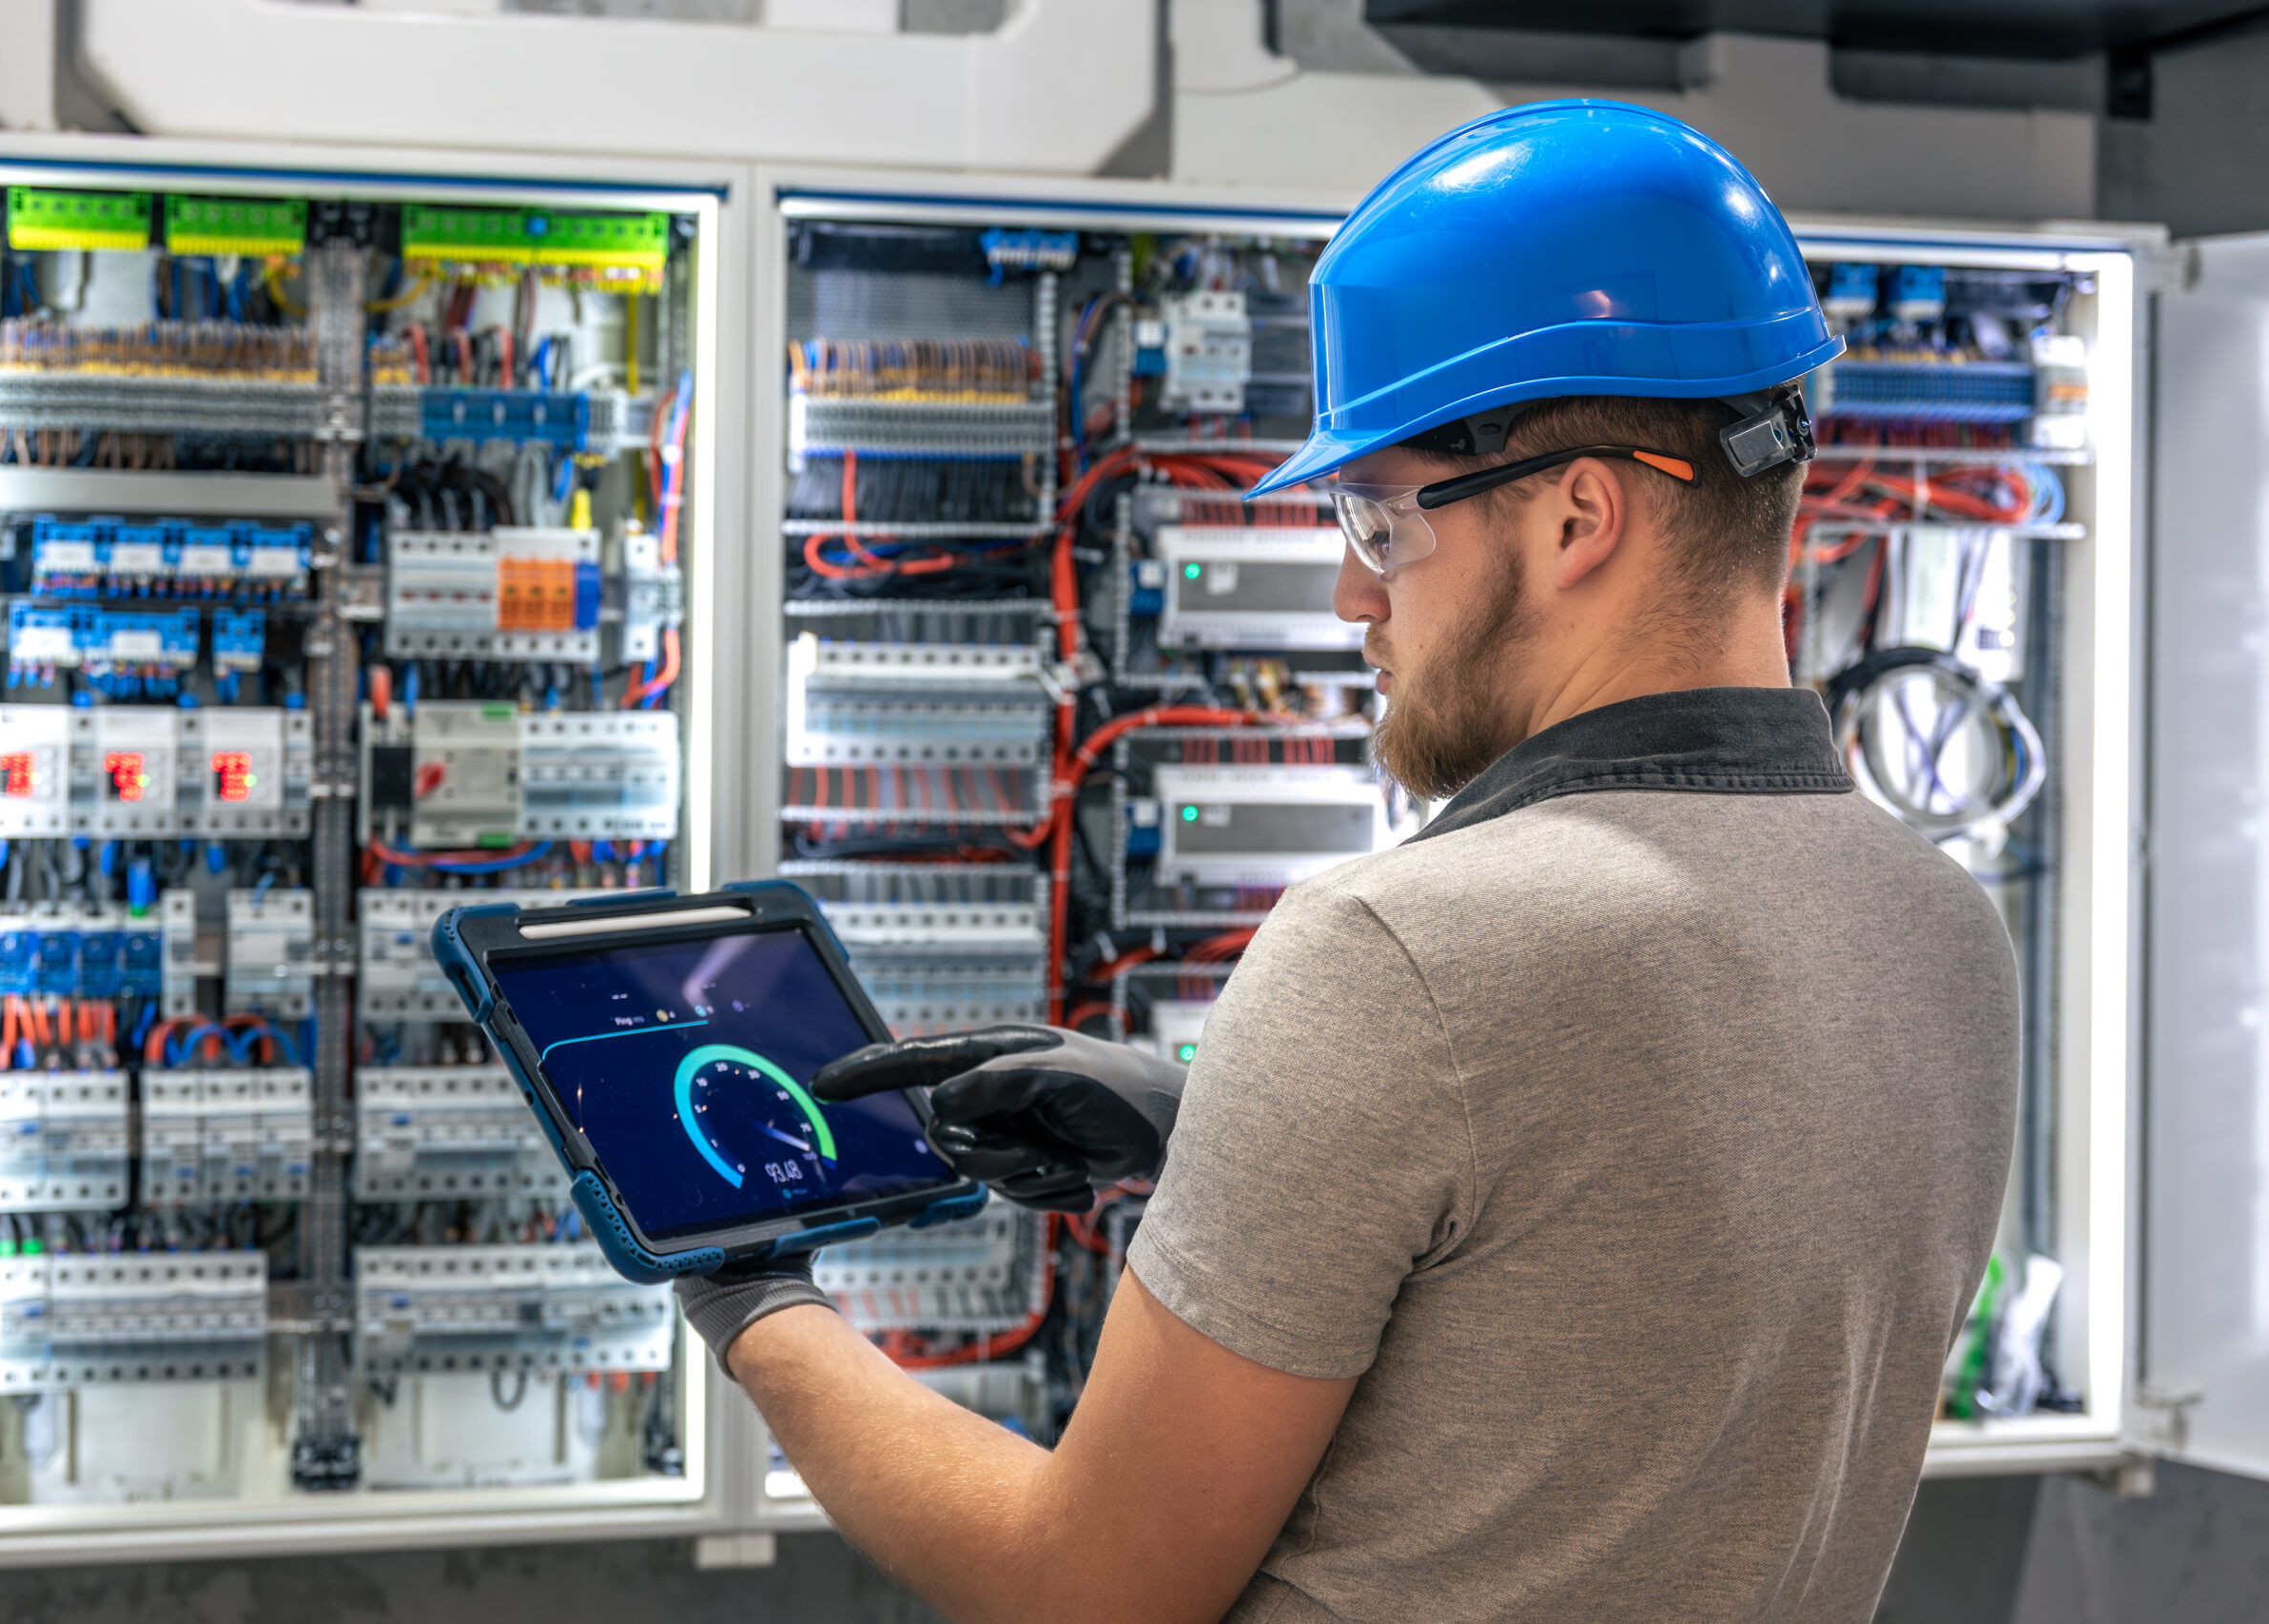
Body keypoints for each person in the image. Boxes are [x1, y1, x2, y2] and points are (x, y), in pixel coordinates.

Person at [676, 100, 2019, 1624]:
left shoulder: (1404, 958)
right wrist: (1227, 1137)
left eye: (1377, 521)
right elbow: (1604, 1296)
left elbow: (1078, 1589)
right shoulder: (1945, 935)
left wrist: (757, 1302)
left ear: (1582, 514)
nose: (1345, 595)